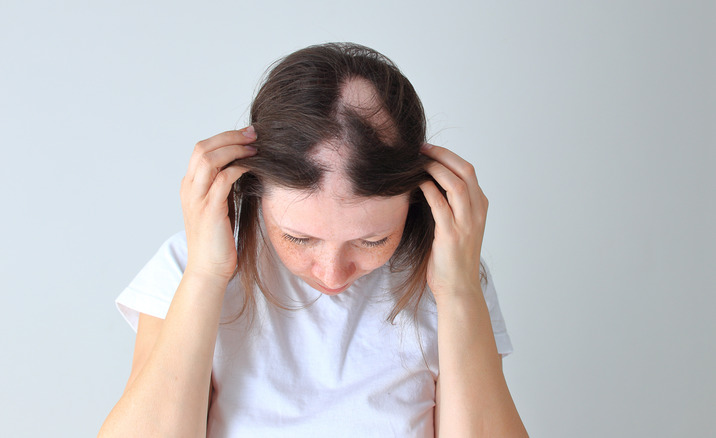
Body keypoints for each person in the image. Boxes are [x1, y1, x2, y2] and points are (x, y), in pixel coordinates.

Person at [98, 42, 528, 437]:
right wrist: (206, 275)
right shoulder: (187, 264)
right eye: (299, 239)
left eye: (373, 240)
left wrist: (459, 291)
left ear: (418, 200)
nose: (332, 273)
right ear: (254, 190)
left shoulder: (450, 275)